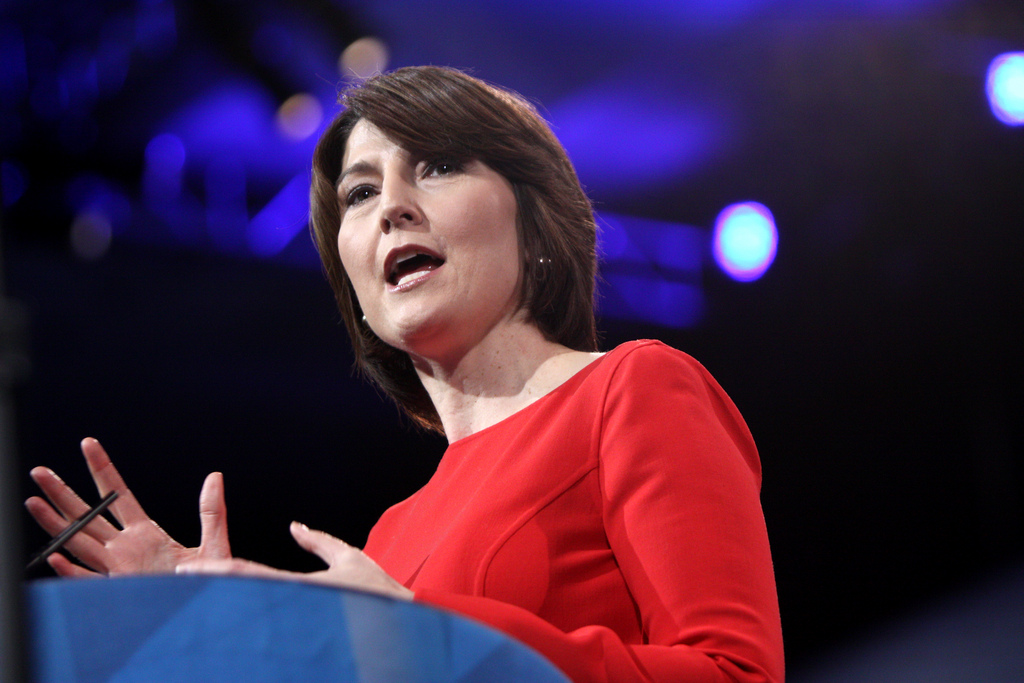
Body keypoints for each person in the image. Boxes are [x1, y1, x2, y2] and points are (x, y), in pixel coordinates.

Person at [26, 66, 785, 682]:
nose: (391, 206)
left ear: (534, 217)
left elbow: (735, 674)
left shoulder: (633, 391)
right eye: (360, 193)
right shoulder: (391, 537)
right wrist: (233, 636)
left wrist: (433, 634)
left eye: (439, 166)